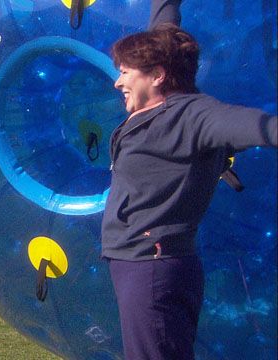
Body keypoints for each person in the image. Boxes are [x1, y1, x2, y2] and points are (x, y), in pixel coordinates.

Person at [101, 4, 278, 360]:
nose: (117, 81)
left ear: (157, 76)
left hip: (152, 272)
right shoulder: (160, 103)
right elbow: (164, 26)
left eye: (125, 72)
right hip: (145, 266)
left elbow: (261, 126)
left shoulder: (194, 117)